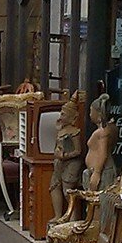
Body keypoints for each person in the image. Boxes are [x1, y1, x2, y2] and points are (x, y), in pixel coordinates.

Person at [49, 91, 83, 221]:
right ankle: (58, 215)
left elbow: (78, 151)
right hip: (59, 163)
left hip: (71, 163)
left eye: (63, 114)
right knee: (54, 186)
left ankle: (72, 218)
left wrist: (65, 155)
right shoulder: (60, 130)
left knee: (67, 191)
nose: (61, 116)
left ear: (71, 117)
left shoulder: (75, 132)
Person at [84, 93, 118, 192]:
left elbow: (103, 153)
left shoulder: (103, 131)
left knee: (101, 202)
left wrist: (97, 173)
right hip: (98, 170)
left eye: (91, 112)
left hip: (102, 170)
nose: (90, 115)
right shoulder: (110, 128)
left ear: (98, 113)